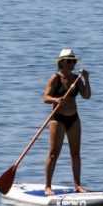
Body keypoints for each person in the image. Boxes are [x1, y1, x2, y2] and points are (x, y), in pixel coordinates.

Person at [42, 48, 92, 196]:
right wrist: (56, 99)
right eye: (69, 61)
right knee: (53, 154)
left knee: (75, 154)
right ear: (62, 63)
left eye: (74, 61)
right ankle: (48, 186)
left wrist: (86, 79)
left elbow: (87, 96)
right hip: (58, 119)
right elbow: (45, 97)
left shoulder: (76, 78)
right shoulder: (55, 78)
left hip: (74, 118)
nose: (72, 64)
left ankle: (77, 185)